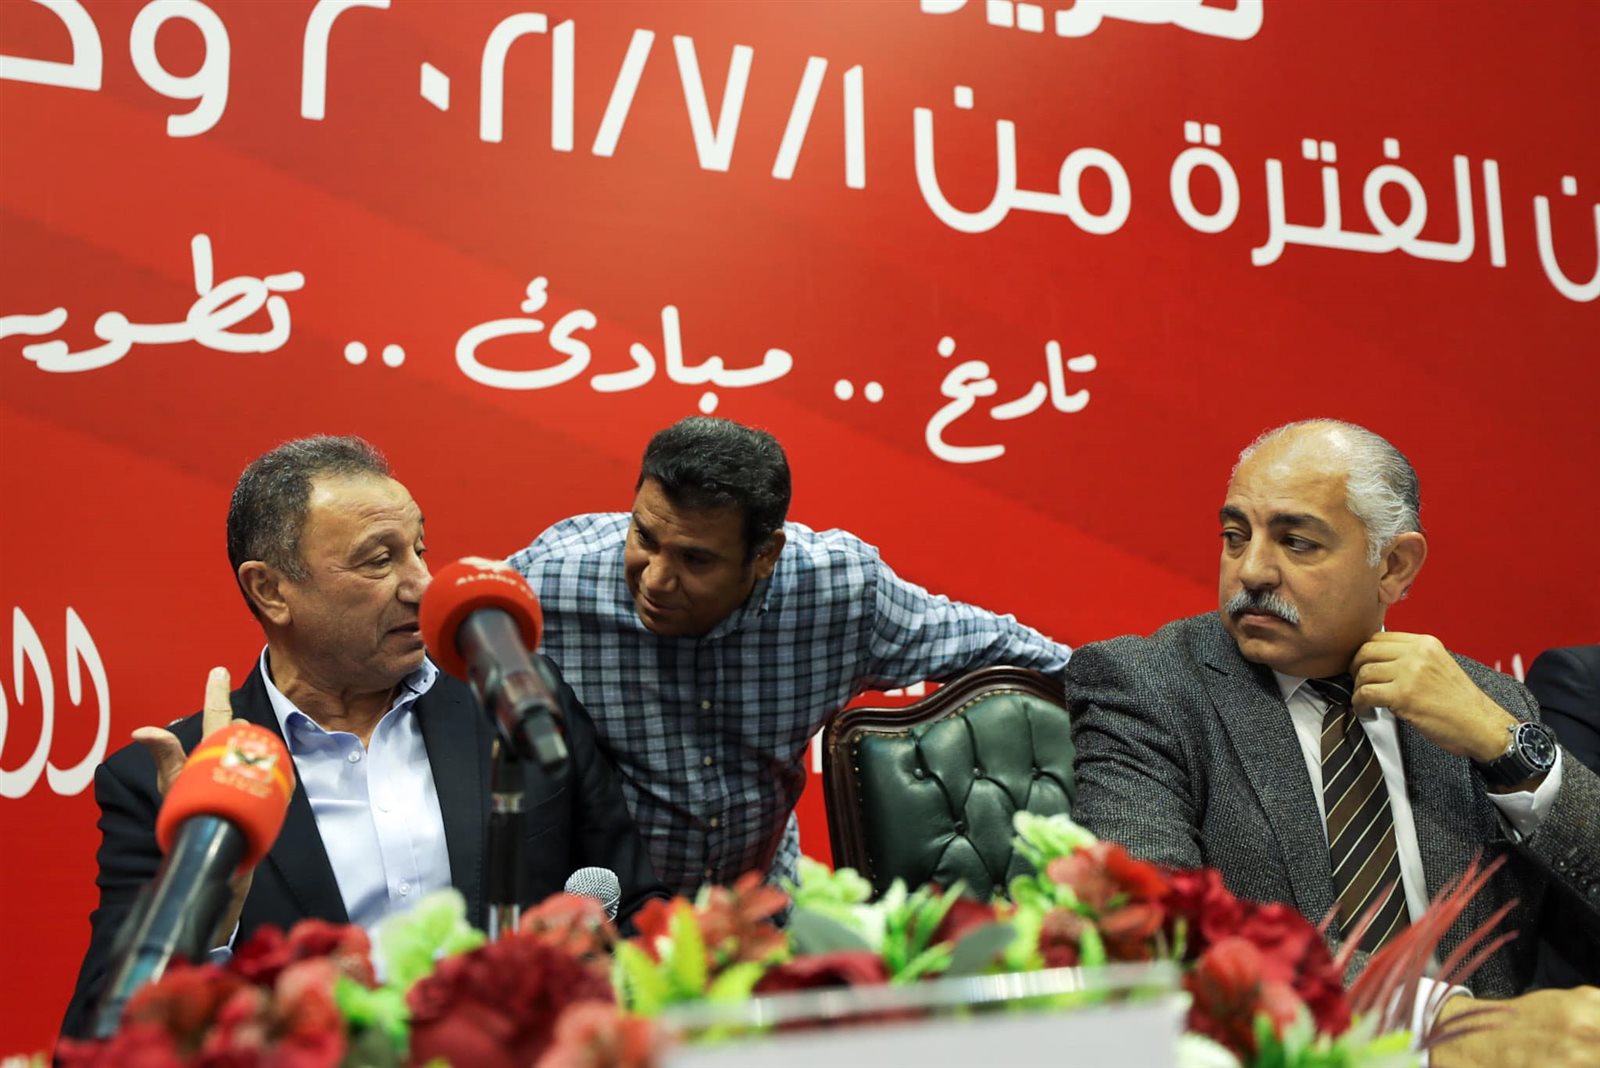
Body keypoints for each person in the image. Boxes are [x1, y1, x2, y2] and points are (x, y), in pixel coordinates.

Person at [62, 436, 663, 1039]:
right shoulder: (176, 782)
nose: (422, 584)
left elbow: (633, 907)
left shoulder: (512, 700)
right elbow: (100, 1037)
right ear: (271, 590)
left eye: (419, 550)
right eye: (379, 560)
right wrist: (209, 897)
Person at [1068, 419, 1600, 1067]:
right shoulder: (1147, 687)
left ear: (1394, 566)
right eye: (1235, 537)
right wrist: (1445, 1026)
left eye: (1297, 542)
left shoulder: (1485, 700)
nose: (1252, 570)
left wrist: (1505, 747)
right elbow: (1151, 929)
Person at [509, 416, 1072, 896]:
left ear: (765, 555)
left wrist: (1124, 708)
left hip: (764, 914)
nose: (656, 579)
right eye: (644, 538)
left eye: (695, 560)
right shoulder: (549, 583)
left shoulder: (840, 594)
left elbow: (1017, 654)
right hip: (606, 926)